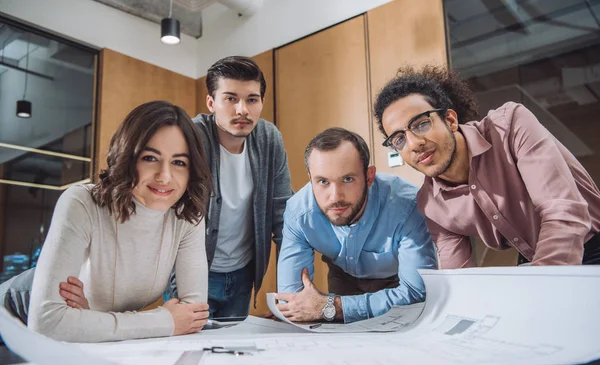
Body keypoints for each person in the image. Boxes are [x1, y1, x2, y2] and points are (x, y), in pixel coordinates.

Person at [16, 100, 213, 343]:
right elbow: (47, 322)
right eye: (150, 158)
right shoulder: (81, 202)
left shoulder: (186, 215)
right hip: (14, 315)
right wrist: (164, 320)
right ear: (128, 157)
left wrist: (90, 318)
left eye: (179, 162)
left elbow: (193, 316)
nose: (165, 176)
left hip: (85, 334)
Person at [374, 65, 600, 268]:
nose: (414, 144)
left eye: (421, 124)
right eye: (399, 139)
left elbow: (563, 212)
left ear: (450, 121)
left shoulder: (510, 126)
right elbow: (459, 274)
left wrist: (539, 288)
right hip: (534, 260)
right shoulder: (431, 203)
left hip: (589, 242)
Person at [168, 56, 293, 319]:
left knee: (234, 354)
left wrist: (290, 292)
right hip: (191, 272)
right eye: (231, 99)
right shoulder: (190, 137)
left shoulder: (269, 139)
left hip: (243, 274)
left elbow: (283, 216)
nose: (242, 110)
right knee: (190, 353)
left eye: (251, 99)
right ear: (211, 102)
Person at [276, 128, 437, 323]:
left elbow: (416, 293)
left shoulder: (409, 207)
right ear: (310, 179)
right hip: (342, 275)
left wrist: (333, 307)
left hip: (395, 282)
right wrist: (326, 308)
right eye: (323, 182)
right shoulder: (298, 212)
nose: (335, 197)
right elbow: (292, 301)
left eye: (348, 179)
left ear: (369, 176)